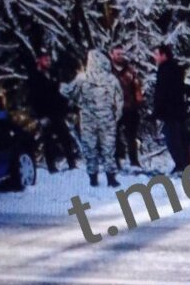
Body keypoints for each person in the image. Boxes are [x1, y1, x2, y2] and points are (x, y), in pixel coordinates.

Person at [61, 49, 123, 188]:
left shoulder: (82, 78)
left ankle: (93, 177)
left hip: (88, 120)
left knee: (90, 149)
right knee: (109, 149)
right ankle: (111, 178)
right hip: (107, 120)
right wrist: (116, 117)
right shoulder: (112, 79)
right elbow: (119, 101)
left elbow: (69, 92)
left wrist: (60, 85)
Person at [26, 50, 78, 173]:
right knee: (48, 141)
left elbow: (58, 93)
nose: (48, 62)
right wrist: (40, 116)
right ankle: (51, 167)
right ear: (39, 60)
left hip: (57, 113)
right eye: (46, 60)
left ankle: (71, 163)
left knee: (65, 138)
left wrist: (65, 108)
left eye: (49, 60)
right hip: (45, 114)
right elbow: (33, 99)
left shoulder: (53, 74)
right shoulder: (34, 78)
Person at [153, 43, 190, 174]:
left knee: (173, 140)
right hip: (179, 109)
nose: (155, 57)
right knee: (182, 138)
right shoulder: (175, 68)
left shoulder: (164, 70)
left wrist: (157, 110)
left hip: (170, 111)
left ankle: (181, 165)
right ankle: (187, 164)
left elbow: (161, 92)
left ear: (164, 55)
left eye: (157, 54)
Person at [109, 45, 143, 170]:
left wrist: (138, 102)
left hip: (130, 108)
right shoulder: (108, 70)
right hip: (113, 109)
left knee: (131, 137)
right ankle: (116, 161)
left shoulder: (130, 70)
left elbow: (137, 87)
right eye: (117, 54)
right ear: (112, 55)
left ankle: (134, 161)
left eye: (121, 54)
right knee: (114, 136)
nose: (120, 56)